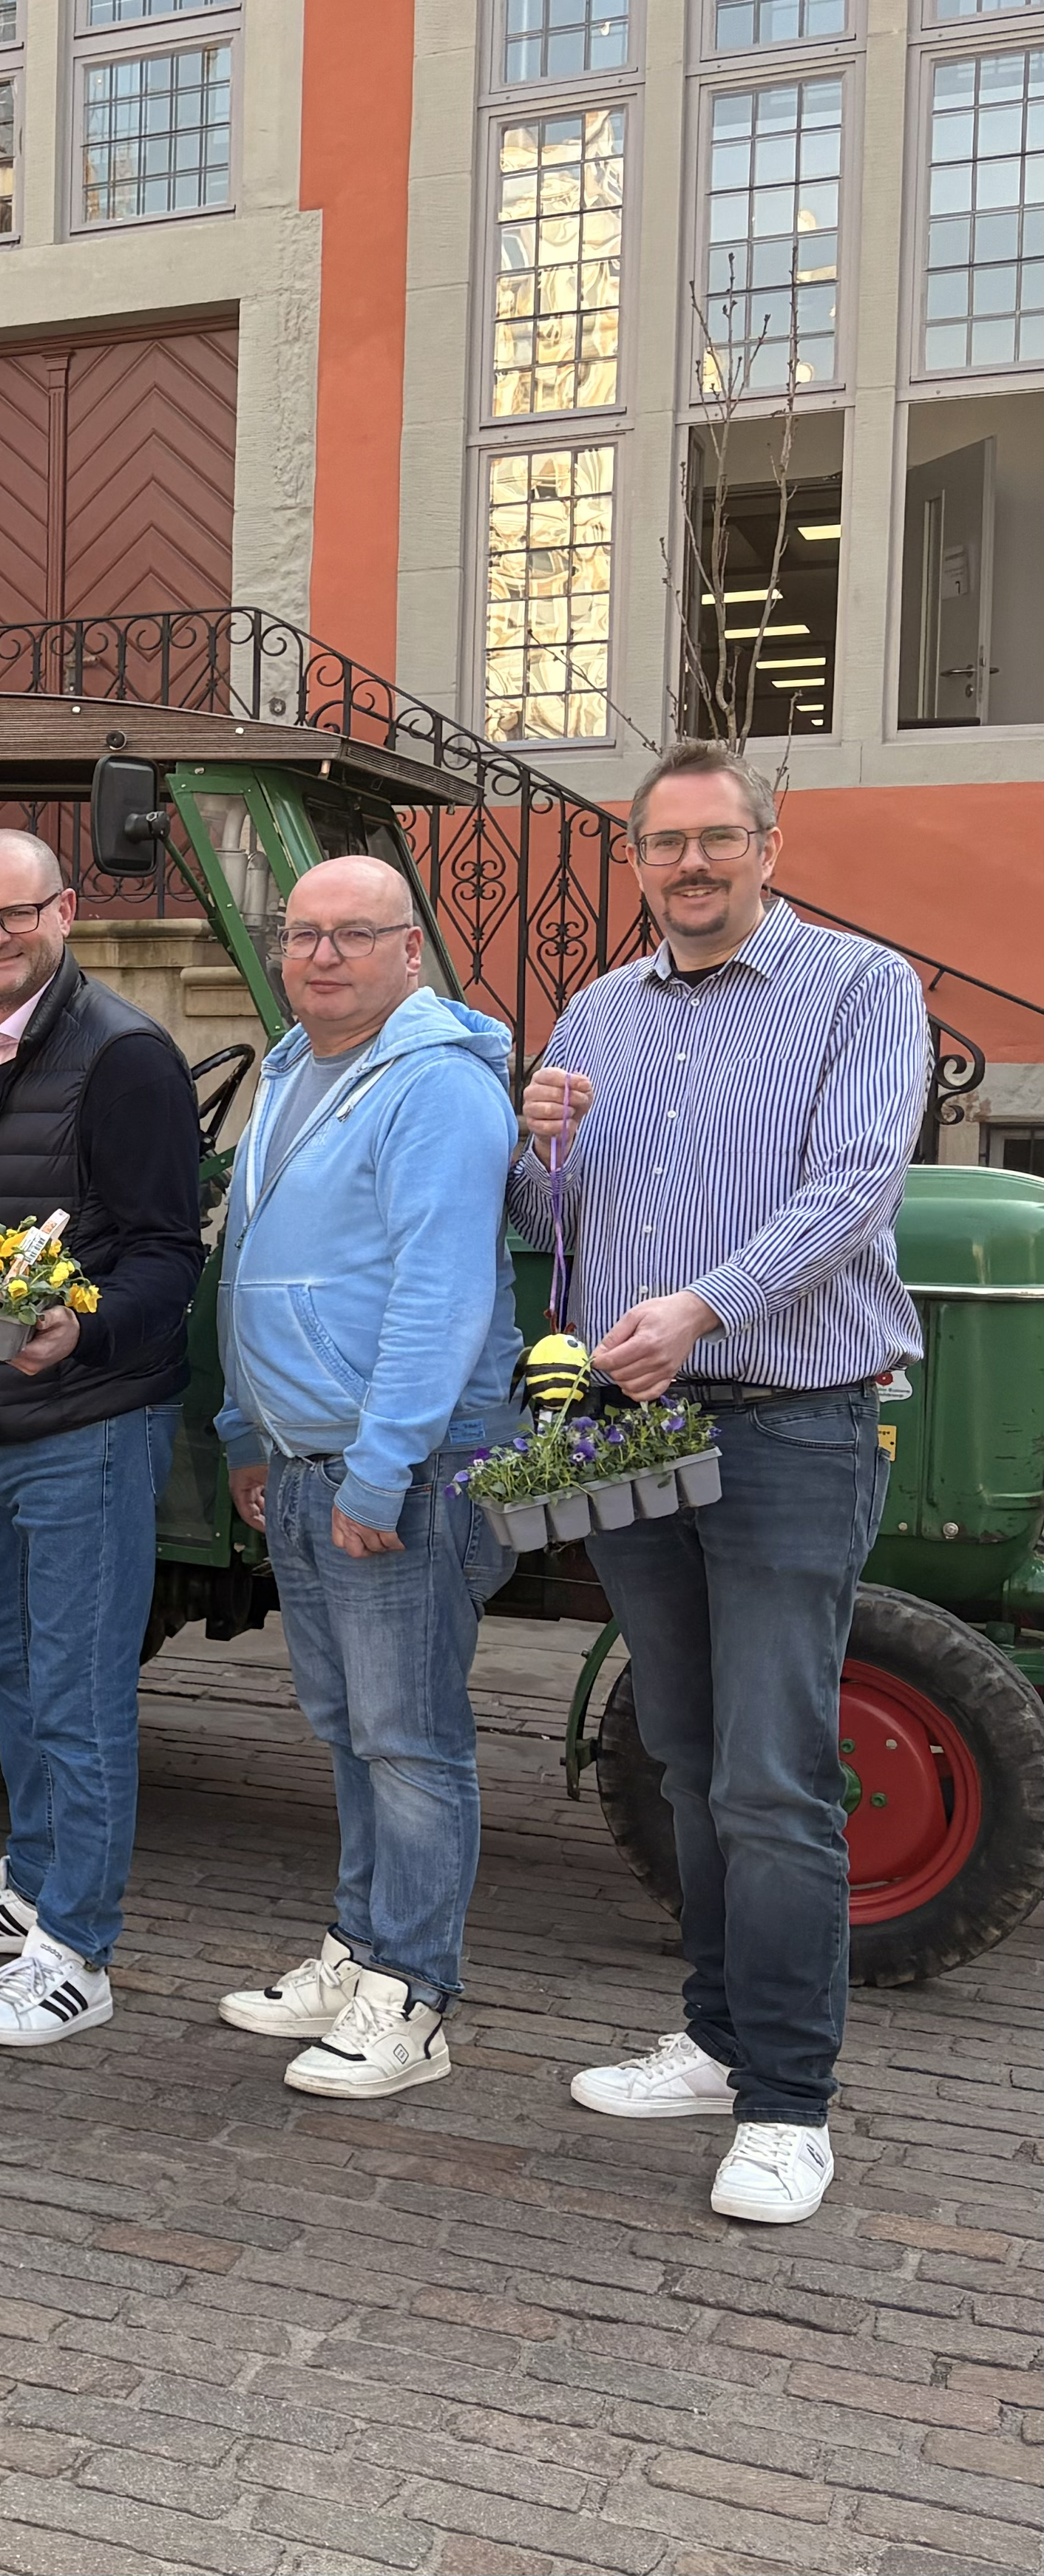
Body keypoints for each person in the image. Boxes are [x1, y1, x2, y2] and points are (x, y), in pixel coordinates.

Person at [517, 743, 923, 2228]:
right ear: (633, 863)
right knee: (683, 1753)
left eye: (714, 839)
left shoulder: (862, 990)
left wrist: (700, 1305)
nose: (688, 865)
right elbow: (560, 1225)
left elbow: (853, 1186)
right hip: (639, 1434)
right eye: (662, 845)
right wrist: (534, 1145)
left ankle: (787, 2101)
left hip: (787, 1423)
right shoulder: (595, 1012)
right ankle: (711, 2037)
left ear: (766, 842)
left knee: (771, 1773)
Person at [214, 858, 521, 2096]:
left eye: (353, 935)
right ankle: (357, 1948)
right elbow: (247, 1261)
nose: (322, 956)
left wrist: (383, 1470)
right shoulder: (290, 1067)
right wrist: (246, 1425)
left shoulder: (437, 1089)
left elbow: (438, 1297)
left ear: (410, 953)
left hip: (395, 1463)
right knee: (348, 1727)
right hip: (300, 1457)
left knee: (411, 1737)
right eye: (302, 935)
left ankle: (414, 1995)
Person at [0, 828, 205, 2047]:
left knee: (80, 1687)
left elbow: (162, 1254)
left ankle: (77, 1947)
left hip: (84, 1420)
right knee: (7, 1653)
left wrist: (74, 1335)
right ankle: (31, 1877)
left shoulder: (126, 1055)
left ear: (64, 911)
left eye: (16, 913)